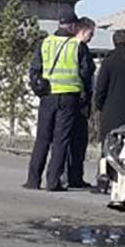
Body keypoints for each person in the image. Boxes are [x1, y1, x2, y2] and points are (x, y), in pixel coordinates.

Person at [24, 14, 96, 192]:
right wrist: (86, 96)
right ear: (72, 27)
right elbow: (87, 72)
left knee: (42, 139)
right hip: (69, 96)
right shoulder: (78, 46)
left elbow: (34, 69)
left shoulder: (45, 42)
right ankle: (53, 181)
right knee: (60, 140)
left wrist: (38, 87)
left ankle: (33, 180)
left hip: (47, 96)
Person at [65, 17, 97, 189]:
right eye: (91, 33)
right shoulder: (80, 48)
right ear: (83, 31)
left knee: (68, 141)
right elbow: (86, 72)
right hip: (79, 98)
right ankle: (74, 177)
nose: (92, 37)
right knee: (77, 141)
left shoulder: (68, 46)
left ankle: (71, 176)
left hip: (70, 97)